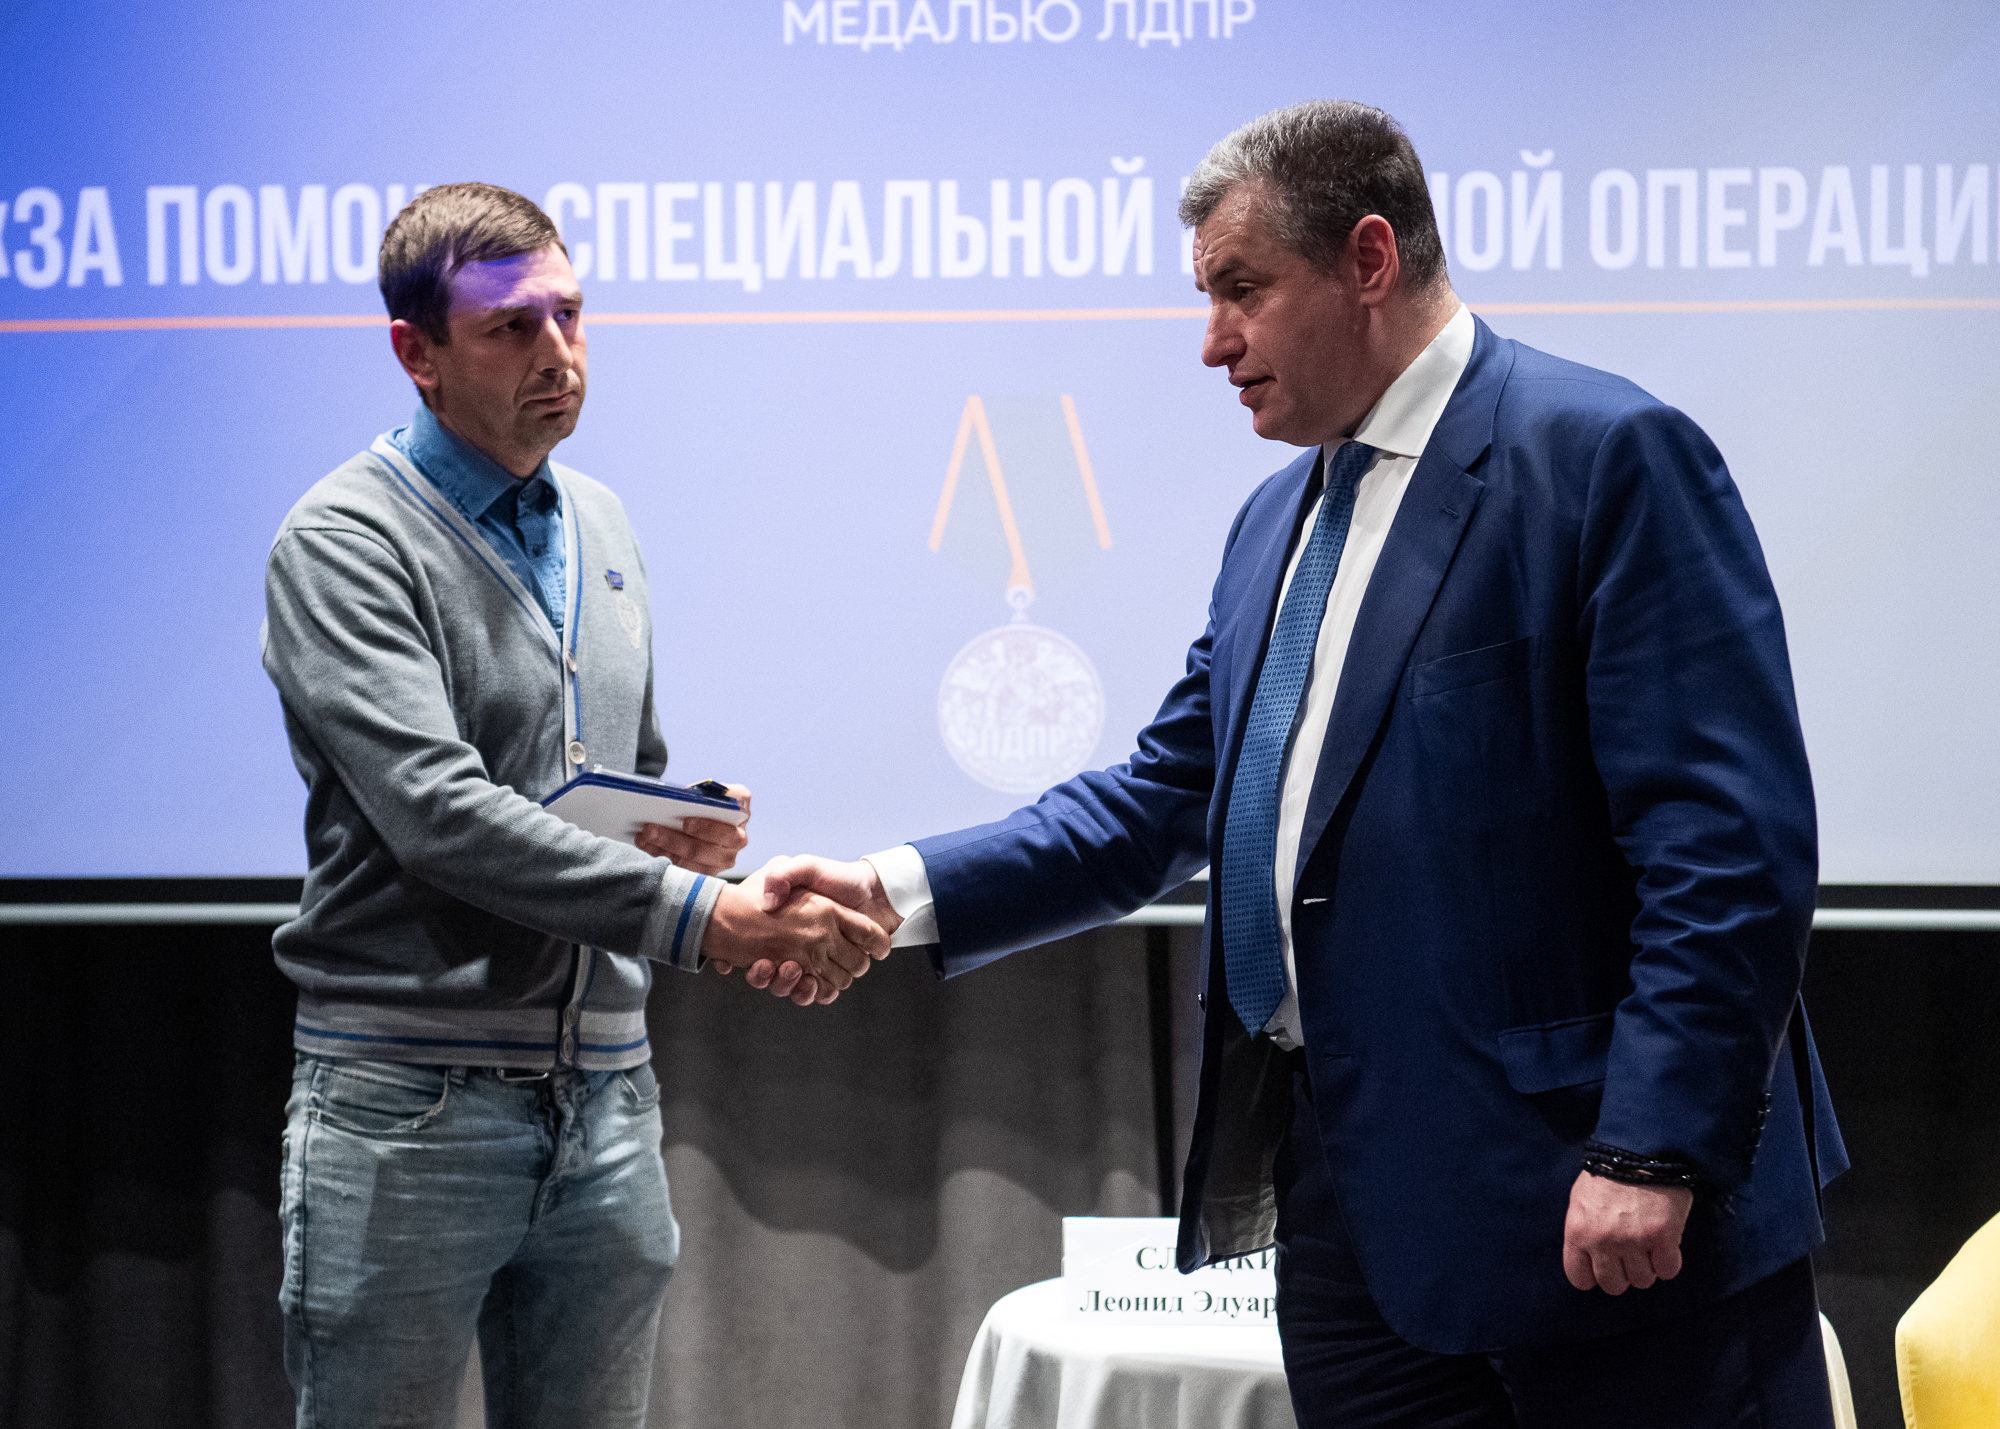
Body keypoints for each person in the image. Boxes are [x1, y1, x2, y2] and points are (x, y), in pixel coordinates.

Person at [753, 102, 1847, 1426]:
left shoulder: (1603, 456)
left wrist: (1651, 1151)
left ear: (1368, 259)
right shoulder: (1276, 520)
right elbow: (1163, 801)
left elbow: (1726, 849)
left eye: (1242, 290)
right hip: (1356, 1214)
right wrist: (892, 891)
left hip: (1596, 1206)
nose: (1212, 341)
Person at [260, 182, 884, 1428]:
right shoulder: (342, 541)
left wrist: (682, 831)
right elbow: (438, 813)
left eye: (570, 314)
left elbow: (597, 779)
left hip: (607, 1097)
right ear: (418, 355)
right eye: (511, 328)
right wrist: (707, 916)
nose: (558, 353)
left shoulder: (598, 518)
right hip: (410, 1105)